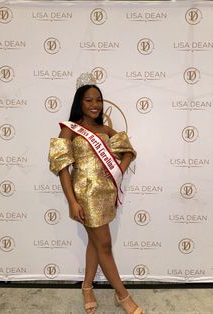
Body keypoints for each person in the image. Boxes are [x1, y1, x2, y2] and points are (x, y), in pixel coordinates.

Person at [49, 73, 144, 314]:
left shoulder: (105, 129)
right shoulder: (70, 130)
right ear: (79, 103)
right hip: (85, 195)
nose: (94, 105)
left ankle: (87, 287)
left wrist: (118, 174)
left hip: (105, 195)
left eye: (98, 100)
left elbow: (129, 151)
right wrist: (72, 201)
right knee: (105, 245)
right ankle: (122, 296)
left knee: (95, 242)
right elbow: (62, 168)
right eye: (89, 100)